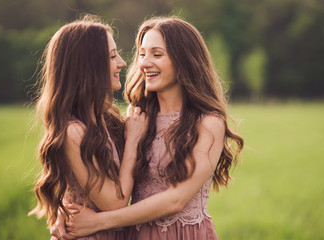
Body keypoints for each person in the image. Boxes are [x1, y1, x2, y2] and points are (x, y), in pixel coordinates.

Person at [60, 16, 244, 239]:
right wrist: (66, 213)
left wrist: (98, 222)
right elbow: (95, 172)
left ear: (184, 61)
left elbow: (176, 200)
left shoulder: (208, 123)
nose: (144, 63)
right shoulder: (136, 119)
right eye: (142, 53)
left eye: (157, 54)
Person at [28, 14, 147, 239]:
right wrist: (132, 140)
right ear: (87, 66)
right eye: (112, 56)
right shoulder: (74, 131)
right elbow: (114, 202)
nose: (122, 62)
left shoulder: (105, 118)